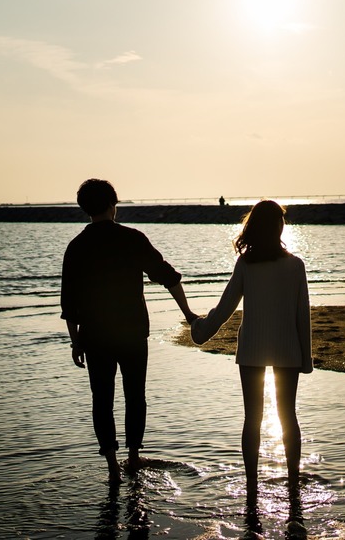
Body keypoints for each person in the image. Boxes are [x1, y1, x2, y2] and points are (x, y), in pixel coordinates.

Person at [61, 178, 198, 478]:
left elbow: (69, 304)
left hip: (95, 335)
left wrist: (76, 342)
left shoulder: (76, 247)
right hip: (133, 333)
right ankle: (134, 457)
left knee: (102, 399)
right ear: (114, 205)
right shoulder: (133, 238)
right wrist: (187, 313)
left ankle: (112, 466)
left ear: (85, 208)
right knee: (135, 395)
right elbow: (169, 277)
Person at [190, 199, 312, 496]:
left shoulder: (246, 264)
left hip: (252, 350)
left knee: (252, 418)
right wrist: (305, 358)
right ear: (280, 227)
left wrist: (201, 330)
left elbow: (224, 308)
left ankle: (252, 483)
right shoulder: (295, 266)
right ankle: (293, 480)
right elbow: (302, 316)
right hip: (287, 350)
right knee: (288, 415)